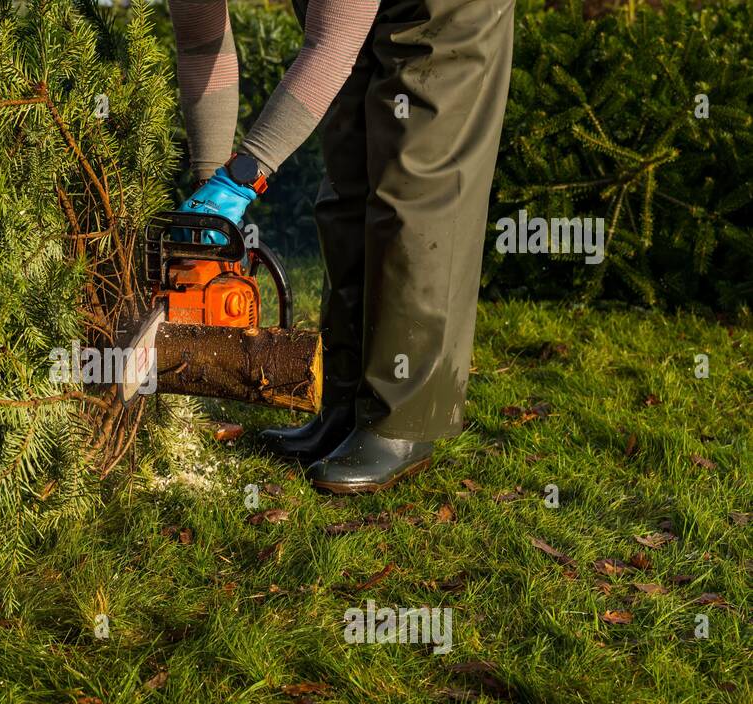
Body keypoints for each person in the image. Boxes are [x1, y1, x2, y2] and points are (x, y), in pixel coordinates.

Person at [169, 0, 516, 493]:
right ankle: (344, 402)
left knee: (412, 187)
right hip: (356, 12)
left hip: (444, 11)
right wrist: (210, 194)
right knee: (346, 181)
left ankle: (403, 422)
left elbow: (329, 46)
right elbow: (202, 44)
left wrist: (243, 178)